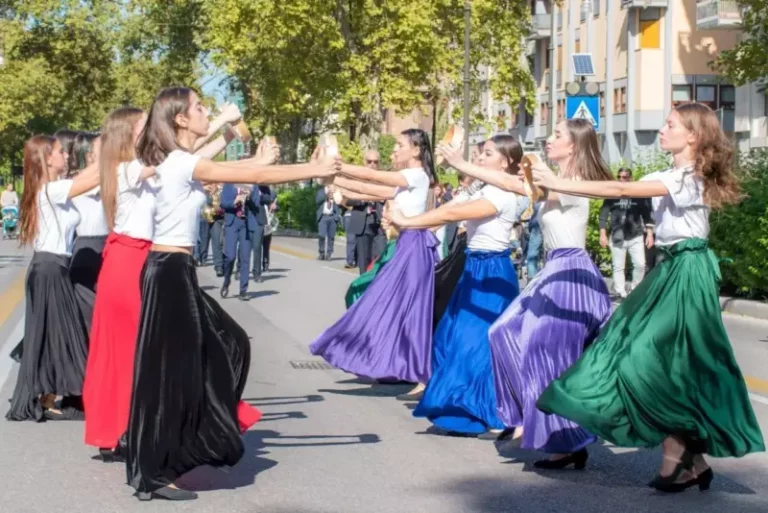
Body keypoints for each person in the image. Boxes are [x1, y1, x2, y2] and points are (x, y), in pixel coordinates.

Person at [533, 103, 764, 491]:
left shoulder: (689, 176)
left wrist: (555, 182)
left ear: (692, 135)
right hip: (668, 268)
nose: (661, 129)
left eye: (670, 124)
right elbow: (609, 183)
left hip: (687, 270)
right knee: (643, 355)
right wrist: (554, 175)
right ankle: (691, 458)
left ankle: (679, 454)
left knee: (651, 359)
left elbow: (620, 188)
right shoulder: (668, 173)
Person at [126, 86, 338, 501]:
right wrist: (314, 170)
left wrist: (287, 162)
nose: (207, 112)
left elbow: (248, 166)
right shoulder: (181, 163)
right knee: (171, 372)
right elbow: (255, 176)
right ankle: (154, 469)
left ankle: (187, 441)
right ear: (181, 119)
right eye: (200, 108)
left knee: (229, 345)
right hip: (167, 271)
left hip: (175, 269)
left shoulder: (182, 160)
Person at [389, 134, 522, 436]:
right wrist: (415, 224)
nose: (480, 158)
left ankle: (491, 411)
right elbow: (445, 212)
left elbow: (452, 213)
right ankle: (465, 407)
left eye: (487, 154)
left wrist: (407, 222)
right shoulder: (482, 187)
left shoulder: (502, 193)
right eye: (479, 153)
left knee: (472, 345)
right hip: (473, 269)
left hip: (493, 274)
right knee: (446, 338)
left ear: (506, 161)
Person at [311, 129, 438, 394]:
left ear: (416, 150)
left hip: (414, 245)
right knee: (390, 305)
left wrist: (339, 165)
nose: (396, 149)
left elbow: (372, 175)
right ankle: (400, 367)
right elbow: (369, 188)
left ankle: (420, 374)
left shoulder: (415, 174)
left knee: (407, 309)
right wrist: (337, 180)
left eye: (400, 144)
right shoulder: (404, 179)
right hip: (405, 244)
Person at [6, 135, 100, 422]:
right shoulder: (53, 190)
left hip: (52, 267)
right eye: (61, 152)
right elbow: (96, 176)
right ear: (48, 158)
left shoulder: (51, 188)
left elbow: (89, 175)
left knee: (51, 334)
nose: (67, 155)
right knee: (58, 333)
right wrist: (113, 154)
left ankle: (46, 394)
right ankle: (51, 394)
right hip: (49, 267)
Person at [68, 132, 107, 332]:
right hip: (88, 245)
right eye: (103, 147)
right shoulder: (81, 181)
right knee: (89, 311)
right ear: (90, 155)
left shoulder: (106, 176)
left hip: (106, 243)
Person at [598, 167, 654, 298]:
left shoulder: (639, 196)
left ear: (631, 178)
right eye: (619, 177)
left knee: (640, 264)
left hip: (636, 235)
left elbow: (646, 215)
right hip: (618, 236)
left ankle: (635, 289)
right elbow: (603, 215)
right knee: (618, 266)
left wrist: (650, 234)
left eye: (624, 177)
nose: (621, 180)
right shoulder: (612, 195)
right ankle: (620, 292)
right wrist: (602, 234)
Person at [246, 184, 275, 282]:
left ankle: (257, 273)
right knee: (244, 249)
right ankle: (239, 269)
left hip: (259, 220)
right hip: (244, 219)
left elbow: (267, 197)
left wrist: (265, 198)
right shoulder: (241, 183)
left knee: (257, 247)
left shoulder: (262, 186)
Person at [316, 185, 340, 260]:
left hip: (332, 217)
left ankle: (329, 254)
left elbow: (339, 203)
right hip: (323, 216)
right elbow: (317, 201)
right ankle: (321, 253)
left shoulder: (335, 192)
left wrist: (336, 216)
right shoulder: (321, 192)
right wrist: (325, 194)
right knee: (321, 235)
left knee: (331, 237)